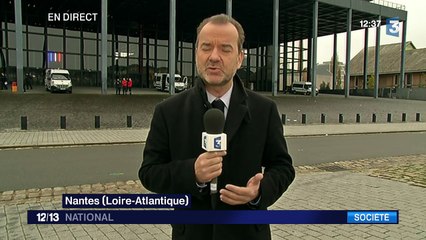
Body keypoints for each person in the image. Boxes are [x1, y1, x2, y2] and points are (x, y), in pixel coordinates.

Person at [139, 14, 295, 240]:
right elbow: (149, 173)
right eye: (206, 47)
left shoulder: (264, 109)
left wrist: (259, 192)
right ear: (196, 54)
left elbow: (283, 168)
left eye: (225, 49)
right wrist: (192, 172)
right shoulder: (168, 111)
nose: (214, 57)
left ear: (240, 58)